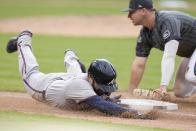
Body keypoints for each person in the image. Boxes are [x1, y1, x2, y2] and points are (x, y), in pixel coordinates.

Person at [6, 30, 155, 119]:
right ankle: (23, 40)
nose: (105, 90)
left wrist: (108, 97)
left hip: (68, 82)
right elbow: (102, 105)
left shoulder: (89, 80)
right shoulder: (81, 86)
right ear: (92, 78)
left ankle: (70, 55)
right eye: (102, 86)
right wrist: (133, 113)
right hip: (41, 86)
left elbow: (103, 97)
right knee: (30, 72)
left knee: (77, 71)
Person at [123, 0, 196, 99]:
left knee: (192, 76)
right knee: (181, 91)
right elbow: (139, 64)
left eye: (132, 12)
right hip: (191, 54)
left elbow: (169, 55)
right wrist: (131, 92)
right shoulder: (145, 33)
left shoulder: (167, 21)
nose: (129, 16)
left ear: (143, 11)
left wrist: (163, 86)